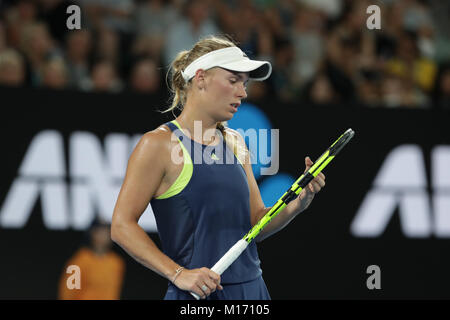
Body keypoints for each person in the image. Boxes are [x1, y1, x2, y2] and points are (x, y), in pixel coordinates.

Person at [111, 35, 326, 300]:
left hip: (253, 291)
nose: (243, 92)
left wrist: (297, 204)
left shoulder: (235, 142)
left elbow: (256, 222)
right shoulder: (158, 144)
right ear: (200, 78)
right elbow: (121, 226)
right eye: (233, 80)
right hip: (196, 296)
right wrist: (178, 273)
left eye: (244, 84)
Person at [58, 219, 125, 300]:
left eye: (107, 231)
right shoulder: (78, 262)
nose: (104, 235)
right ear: (92, 233)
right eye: (100, 231)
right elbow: (67, 294)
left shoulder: (116, 263)